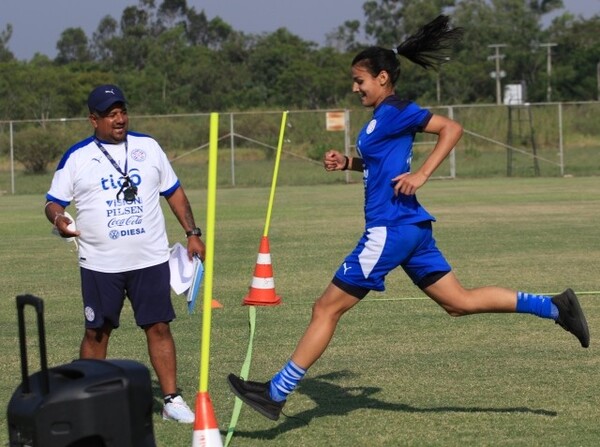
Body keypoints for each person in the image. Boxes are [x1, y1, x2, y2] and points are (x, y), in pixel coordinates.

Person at [227, 15, 590, 421]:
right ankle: (555, 308)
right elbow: (380, 163)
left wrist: (422, 175)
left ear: (383, 77)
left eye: (359, 80)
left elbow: (452, 128)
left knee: (324, 309)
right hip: (411, 228)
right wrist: (348, 162)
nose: (354, 87)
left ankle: (276, 392)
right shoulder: (383, 116)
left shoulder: (398, 109)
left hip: (389, 230)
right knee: (459, 303)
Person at [45, 84, 204, 423]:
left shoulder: (148, 147)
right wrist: (59, 218)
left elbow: (174, 193)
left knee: (159, 326)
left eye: (122, 112)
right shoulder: (77, 156)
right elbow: (53, 201)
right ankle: (87, 398)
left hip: (150, 259)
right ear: (93, 119)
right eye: (111, 114)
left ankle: (172, 400)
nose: (119, 119)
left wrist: (192, 233)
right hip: (100, 264)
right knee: (96, 331)